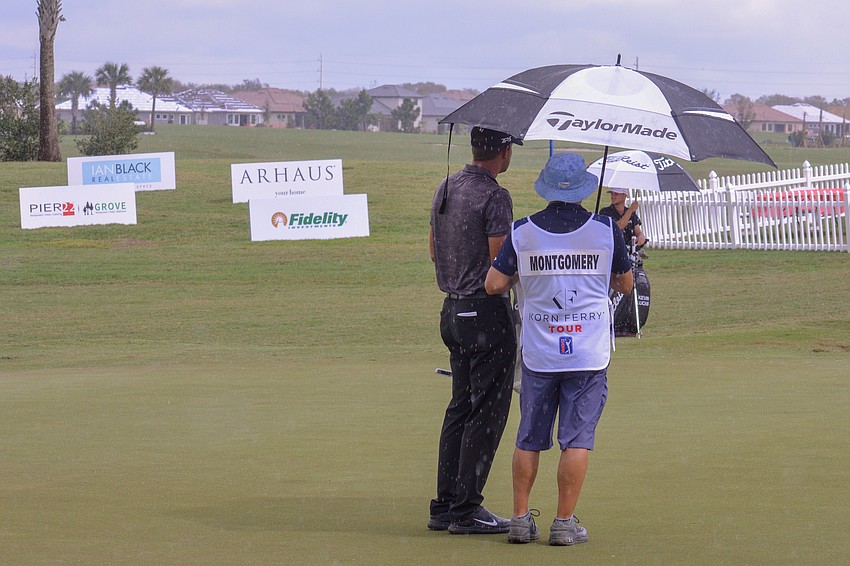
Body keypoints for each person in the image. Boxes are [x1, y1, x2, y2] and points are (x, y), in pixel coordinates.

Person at [484, 152, 633, 546]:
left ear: (546, 189)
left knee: (529, 436)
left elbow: (493, 284)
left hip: (540, 349)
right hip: (587, 351)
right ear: (584, 191)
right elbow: (625, 284)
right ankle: (563, 523)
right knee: (577, 439)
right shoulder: (606, 229)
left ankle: (519, 518)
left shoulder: (522, 232)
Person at [427, 126, 522, 535]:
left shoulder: (446, 186)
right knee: (486, 413)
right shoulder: (495, 195)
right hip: (486, 315)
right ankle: (466, 508)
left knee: (460, 408)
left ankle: (446, 505)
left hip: (452, 313)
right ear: (504, 151)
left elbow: (434, 249)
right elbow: (500, 265)